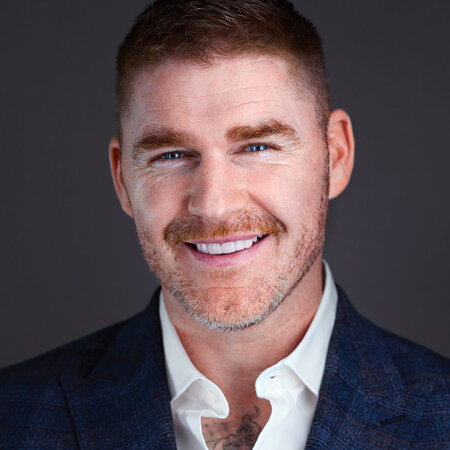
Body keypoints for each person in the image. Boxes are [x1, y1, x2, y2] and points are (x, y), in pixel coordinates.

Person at [0, 0, 448, 448]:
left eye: (257, 147)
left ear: (336, 155)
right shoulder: (13, 418)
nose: (213, 206)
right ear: (122, 179)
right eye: (171, 155)